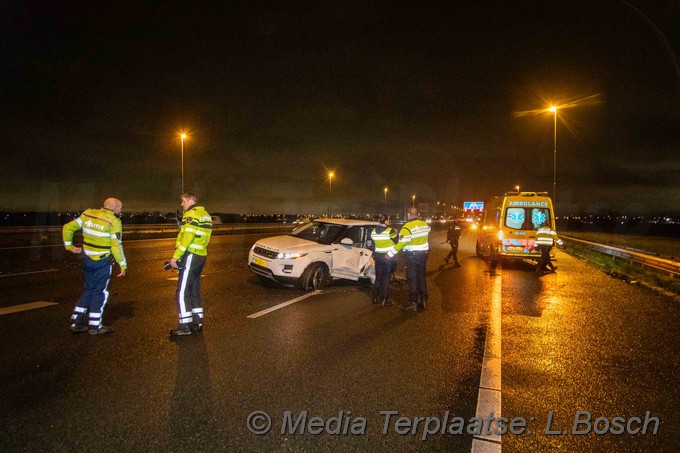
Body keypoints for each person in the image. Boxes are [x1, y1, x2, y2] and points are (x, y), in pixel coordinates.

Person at [62, 197, 127, 335]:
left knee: (88, 289)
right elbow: (116, 246)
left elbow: (68, 227)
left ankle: (76, 322)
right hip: (102, 261)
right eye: (120, 208)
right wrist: (122, 264)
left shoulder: (88, 214)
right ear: (114, 208)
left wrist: (69, 246)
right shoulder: (114, 222)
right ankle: (94, 326)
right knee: (100, 292)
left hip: (86, 259)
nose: (121, 210)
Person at [169, 192, 212, 336]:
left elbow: (187, 237)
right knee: (194, 290)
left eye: (183, 201)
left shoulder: (190, 214)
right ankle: (197, 322)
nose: (182, 204)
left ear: (191, 200)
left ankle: (184, 326)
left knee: (182, 292)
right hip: (201, 255)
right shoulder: (205, 214)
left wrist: (175, 257)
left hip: (190, 255)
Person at [389, 206, 431, 312]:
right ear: (417, 214)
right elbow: (428, 230)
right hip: (423, 256)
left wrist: (390, 253)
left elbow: (401, 243)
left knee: (412, 279)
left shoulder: (406, 228)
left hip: (412, 257)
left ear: (408, 214)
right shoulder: (424, 224)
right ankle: (424, 300)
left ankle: (413, 303)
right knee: (421, 277)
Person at [369, 214, 398, 306]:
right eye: (388, 220)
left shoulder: (373, 231)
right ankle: (384, 299)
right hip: (388, 258)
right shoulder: (391, 231)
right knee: (386, 278)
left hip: (378, 257)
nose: (389, 221)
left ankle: (375, 297)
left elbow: (373, 245)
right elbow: (397, 241)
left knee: (378, 278)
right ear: (385, 221)